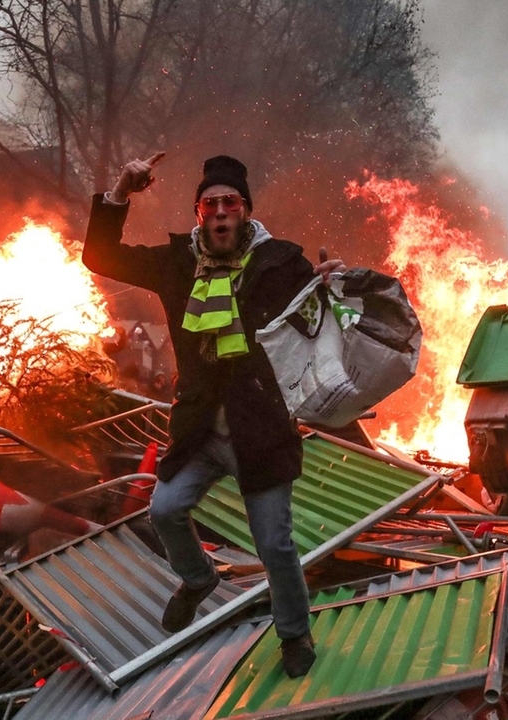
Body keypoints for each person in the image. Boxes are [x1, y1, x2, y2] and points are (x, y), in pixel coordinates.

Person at [82, 153, 344, 678]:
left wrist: (329, 285)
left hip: (261, 429)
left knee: (274, 544)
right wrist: (119, 193)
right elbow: (99, 257)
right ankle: (199, 577)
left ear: (245, 212)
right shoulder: (176, 263)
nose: (220, 212)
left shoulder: (280, 261)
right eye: (210, 204)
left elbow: (320, 319)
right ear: (199, 214)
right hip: (200, 429)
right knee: (164, 510)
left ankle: (294, 636)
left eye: (230, 203)